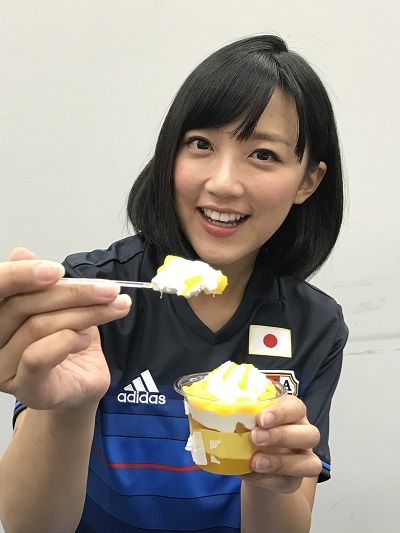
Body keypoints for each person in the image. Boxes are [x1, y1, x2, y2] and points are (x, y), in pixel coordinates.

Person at [0, 35, 348, 533]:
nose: (223, 183)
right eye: (201, 144)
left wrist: (268, 474)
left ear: (307, 182)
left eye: (263, 154)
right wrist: (70, 408)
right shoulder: (93, 295)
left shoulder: (314, 324)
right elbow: (29, 526)